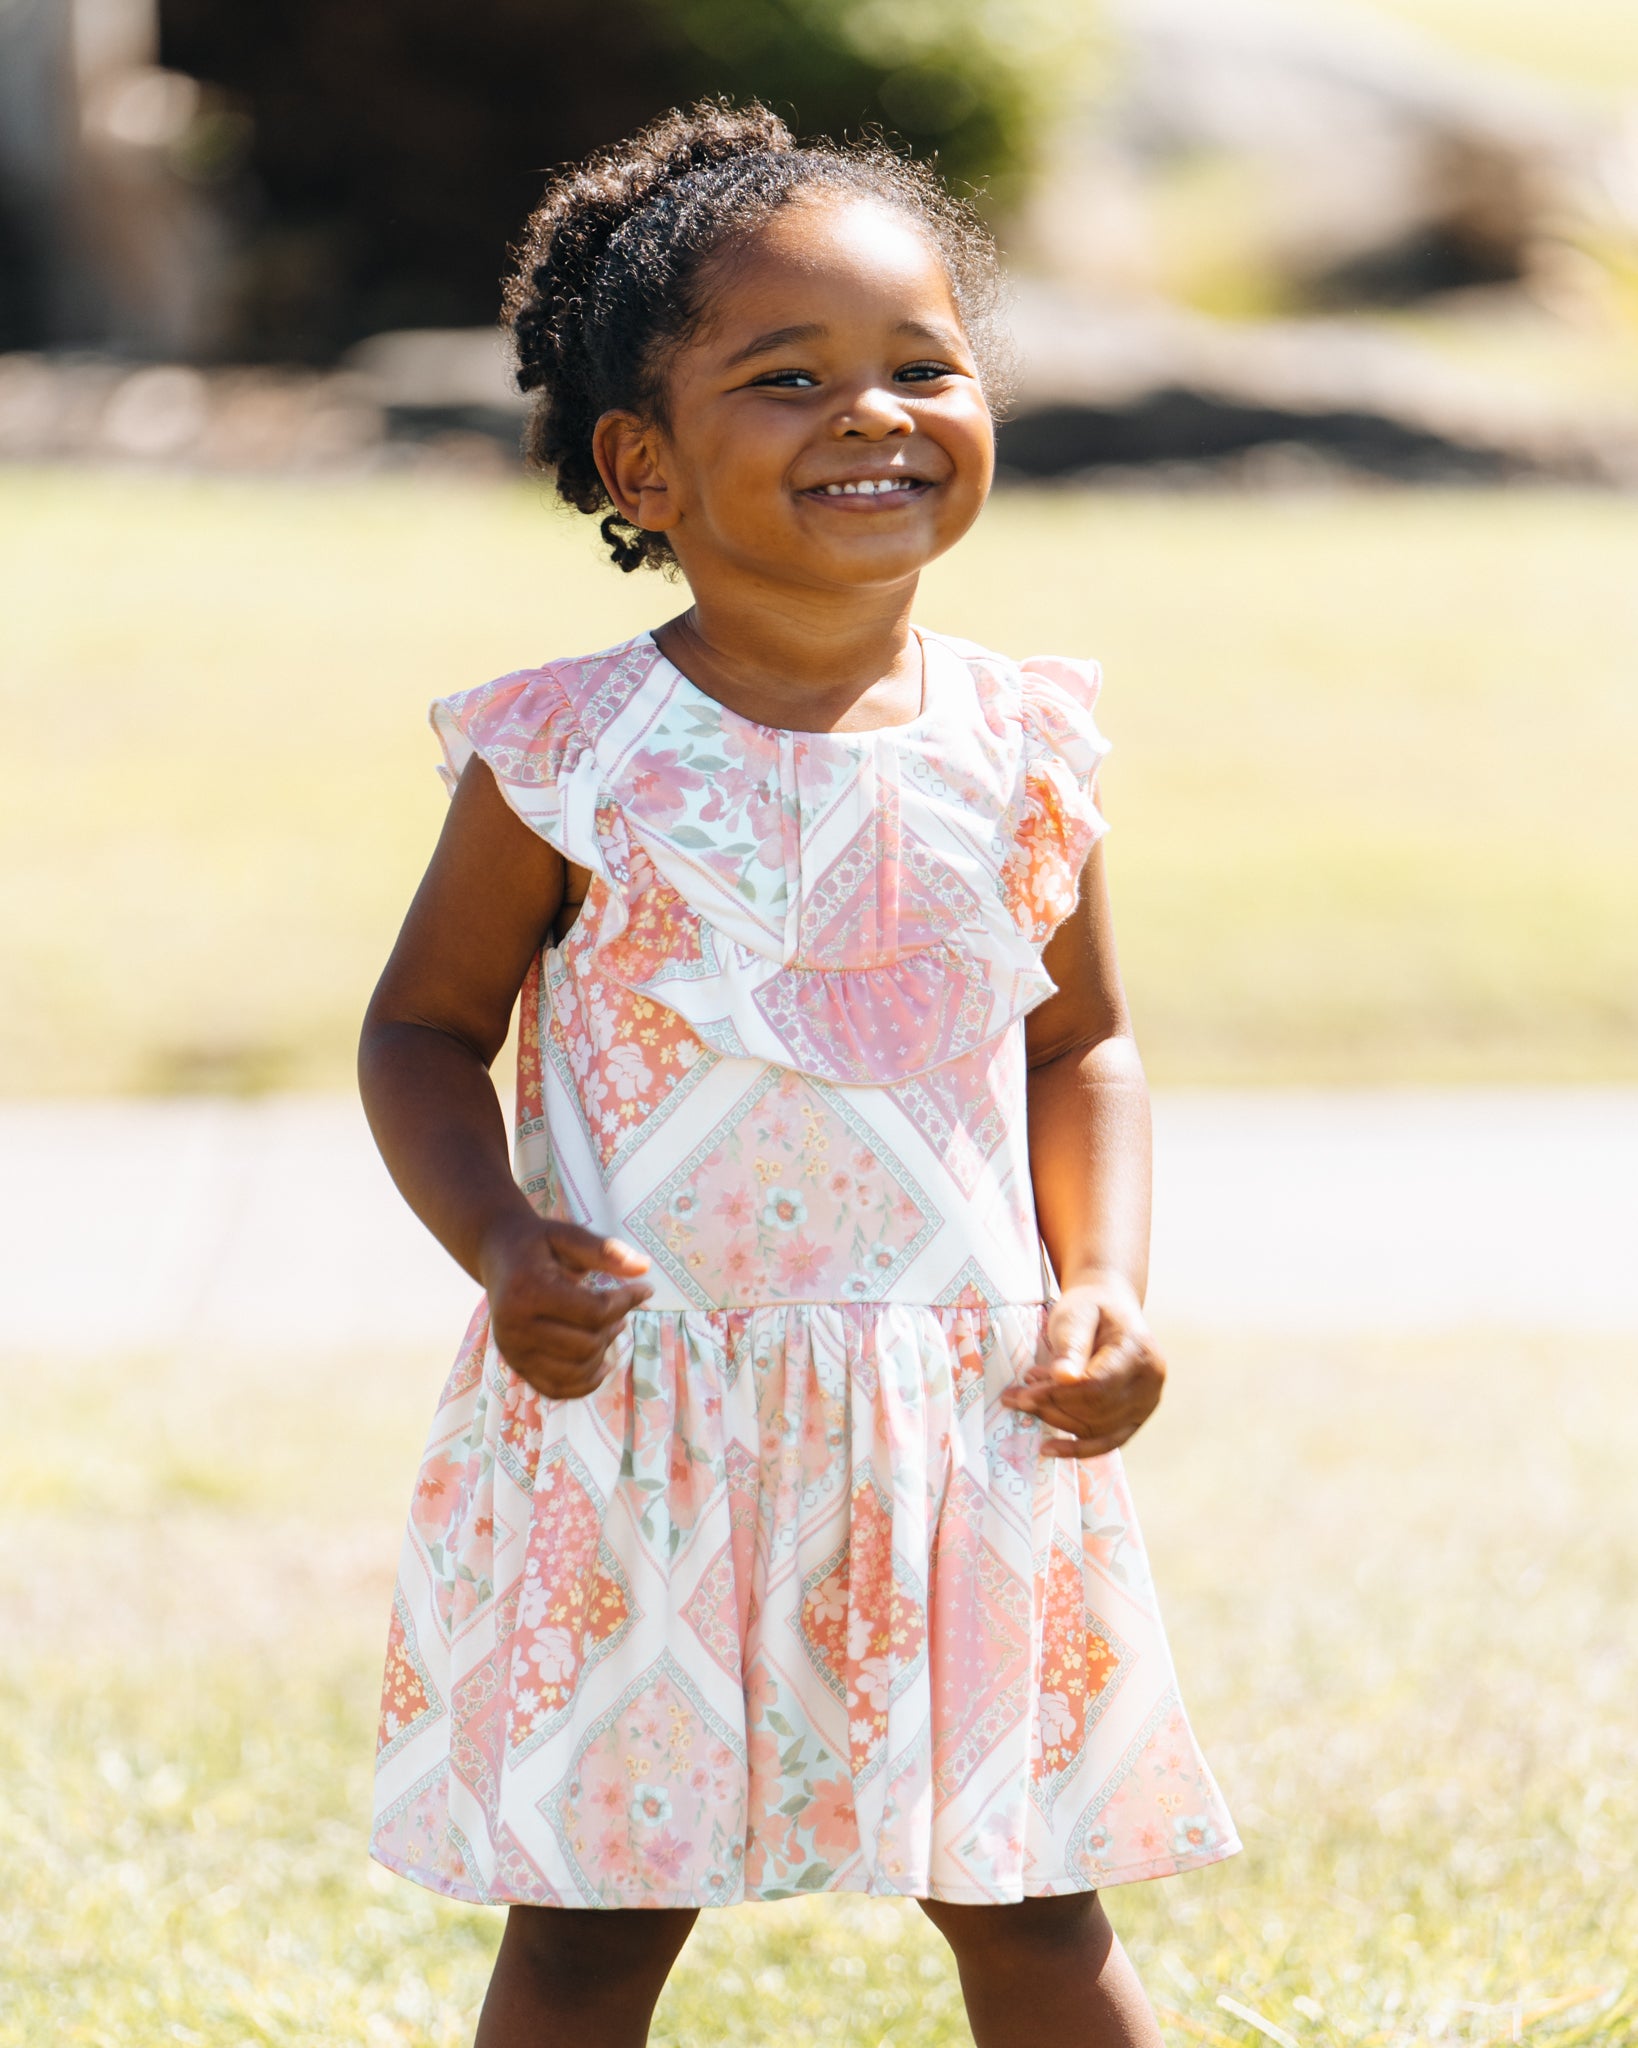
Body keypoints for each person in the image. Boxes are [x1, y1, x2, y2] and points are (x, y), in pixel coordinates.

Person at [359, 98, 1238, 2048]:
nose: (873, 413)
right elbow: (421, 1029)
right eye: (788, 377)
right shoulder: (569, 759)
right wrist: (500, 1242)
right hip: (648, 1425)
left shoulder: (1024, 745)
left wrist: (1105, 1280)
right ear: (641, 464)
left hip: (962, 1425)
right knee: (591, 1933)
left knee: (1034, 1907)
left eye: (924, 365)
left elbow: (1081, 1041)